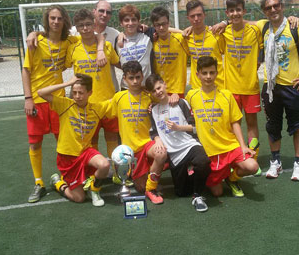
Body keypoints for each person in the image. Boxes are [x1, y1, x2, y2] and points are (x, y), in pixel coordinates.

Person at [256, 0, 299, 181]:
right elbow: (240, 22)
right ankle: (275, 162)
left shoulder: (295, 25)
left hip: (293, 87)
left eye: (276, 5)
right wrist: (222, 23)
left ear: (282, 6)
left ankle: (298, 164)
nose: (273, 10)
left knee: (297, 126)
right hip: (271, 87)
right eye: (268, 8)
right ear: (264, 11)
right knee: (272, 127)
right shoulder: (263, 26)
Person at [22, 4, 79, 203]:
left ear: (65, 22)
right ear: (47, 20)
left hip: (57, 101)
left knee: (62, 142)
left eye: (59, 18)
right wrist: (28, 98)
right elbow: (26, 71)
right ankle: (39, 182)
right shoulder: (36, 42)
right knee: (35, 143)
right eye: (52, 18)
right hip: (37, 100)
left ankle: (64, 177)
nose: (55, 22)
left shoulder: (69, 42)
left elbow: (94, 35)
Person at [186, 56, 259, 197]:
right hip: (209, 151)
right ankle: (221, 176)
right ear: (198, 75)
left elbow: (235, 122)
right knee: (217, 192)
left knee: (253, 166)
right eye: (205, 73)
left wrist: (243, 146)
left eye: (212, 72)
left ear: (217, 73)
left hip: (229, 146)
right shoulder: (191, 96)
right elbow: (179, 111)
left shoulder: (226, 95)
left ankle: (232, 179)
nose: (208, 77)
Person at [37, 74, 111, 207]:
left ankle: (94, 190)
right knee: (79, 198)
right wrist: (66, 84)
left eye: (81, 93)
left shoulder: (97, 108)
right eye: (74, 92)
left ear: (90, 93)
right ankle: (58, 183)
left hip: (85, 152)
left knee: (105, 165)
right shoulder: (65, 104)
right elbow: (40, 92)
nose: (77, 96)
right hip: (67, 158)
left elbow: (117, 101)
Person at [145, 74, 211, 212]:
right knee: (181, 192)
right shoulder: (153, 110)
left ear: (164, 84)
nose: (158, 92)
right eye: (154, 91)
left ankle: (197, 195)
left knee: (203, 161)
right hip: (174, 154)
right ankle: (192, 173)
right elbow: (154, 131)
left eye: (159, 87)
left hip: (189, 145)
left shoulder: (181, 103)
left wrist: (178, 128)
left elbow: (195, 127)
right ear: (151, 94)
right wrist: (157, 139)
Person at [106, 61, 168, 204]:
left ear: (142, 76)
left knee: (161, 152)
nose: (135, 81)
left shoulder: (150, 96)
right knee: (140, 187)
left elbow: (165, 102)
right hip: (130, 152)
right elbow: (102, 110)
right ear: (124, 79)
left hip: (147, 144)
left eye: (138, 77)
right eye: (131, 78)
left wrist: (174, 96)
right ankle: (141, 178)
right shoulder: (118, 97)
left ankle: (150, 188)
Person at [218, 0, 263, 173]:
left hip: (250, 86)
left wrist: (258, 61)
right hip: (231, 89)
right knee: (232, 126)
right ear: (227, 13)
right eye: (231, 11)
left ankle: (253, 156)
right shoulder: (224, 33)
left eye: (238, 10)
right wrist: (223, 23)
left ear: (244, 11)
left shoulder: (255, 30)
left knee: (252, 123)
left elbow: (262, 44)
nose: (235, 13)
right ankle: (236, 158)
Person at [67, 9, 120, 157]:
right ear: (76, 28)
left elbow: (119, 63)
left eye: (89, 24)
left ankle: (116, 171)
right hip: (87, 104)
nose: (85, 28)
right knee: (91, 139)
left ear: (94, 24)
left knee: (112, 137)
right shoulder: (73, 48)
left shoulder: (107, 46)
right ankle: (95, 173)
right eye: (81, 25)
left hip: (108, 101)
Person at [149, 6, 189, 102]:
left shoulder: (181, 39)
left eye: (164, 24)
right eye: (158, 25)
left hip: (177, 90)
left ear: (169, 23)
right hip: (158, 90)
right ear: (154, 26)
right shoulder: (151, 42)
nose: (161, 28)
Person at [184, 0, 225, 90]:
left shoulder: (216, 34)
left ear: (204, 15)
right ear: (188, 18)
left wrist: (225, 22)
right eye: (192, 16)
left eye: (199, 15)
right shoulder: (186, 37)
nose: (196, 18)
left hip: (218, 87)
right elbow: (163, 30)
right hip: (197, 88)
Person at [115, 5, 154, 89]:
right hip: (126, 88)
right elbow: (115, 61)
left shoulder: (147, 34)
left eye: (133, 20)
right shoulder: (117, 40)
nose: (130, 23)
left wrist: (184, 31)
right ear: (121, 23)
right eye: (126, 20)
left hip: (146, 87)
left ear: (138, 21)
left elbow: (165, 29)